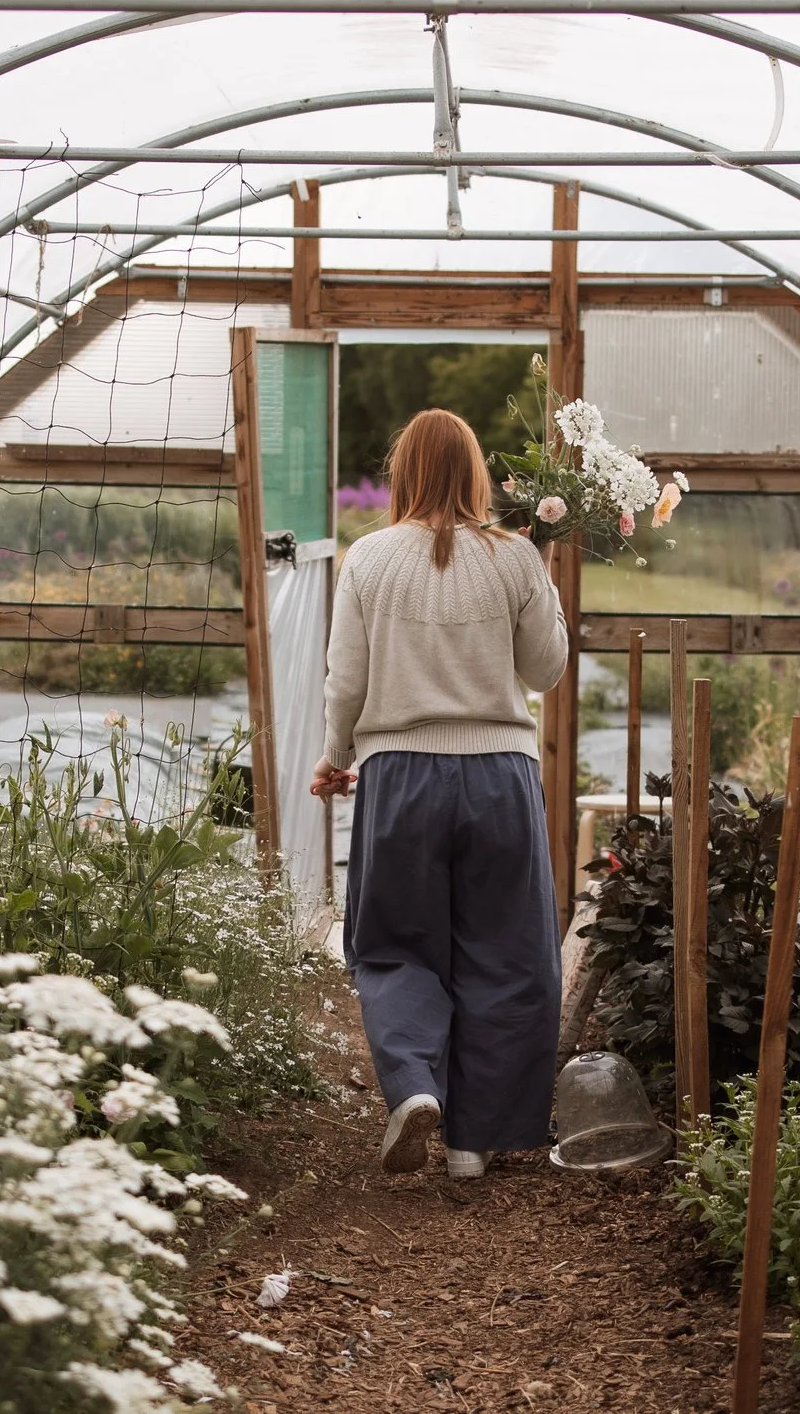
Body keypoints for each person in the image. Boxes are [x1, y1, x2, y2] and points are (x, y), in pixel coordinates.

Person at [310, 409, 568, 1180]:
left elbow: (345, 679)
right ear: (477, 474)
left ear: (403, 473)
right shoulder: (516, 557)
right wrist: (541, 573)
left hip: (399, 777)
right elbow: (546, 670)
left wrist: (334, 757)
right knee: (506, 954)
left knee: (393, 945)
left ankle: (417, 1086)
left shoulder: (369, 559)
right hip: (500, 776)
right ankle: (471, 1145)